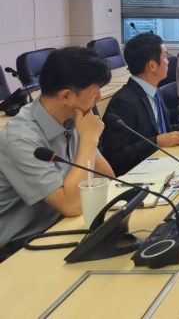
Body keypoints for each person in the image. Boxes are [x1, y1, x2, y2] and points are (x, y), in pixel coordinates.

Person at [0, 47, 113, 260]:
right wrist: (89, 141)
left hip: (61, 225)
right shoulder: (20, 138)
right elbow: (71, 205)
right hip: (18, 248)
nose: (99, 98)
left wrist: (88, 141)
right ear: (66, 96)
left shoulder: (73, 118)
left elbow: (107, 178)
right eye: (94, 92)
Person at [101, 33, 179, 175]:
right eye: (165, 56)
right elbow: (116, 158)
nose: (168, 61)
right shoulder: (124, 102)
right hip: (141, 174)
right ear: (152, 66)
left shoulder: (153, 90)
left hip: (163, 162)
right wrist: (157, 142)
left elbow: (159, 130)